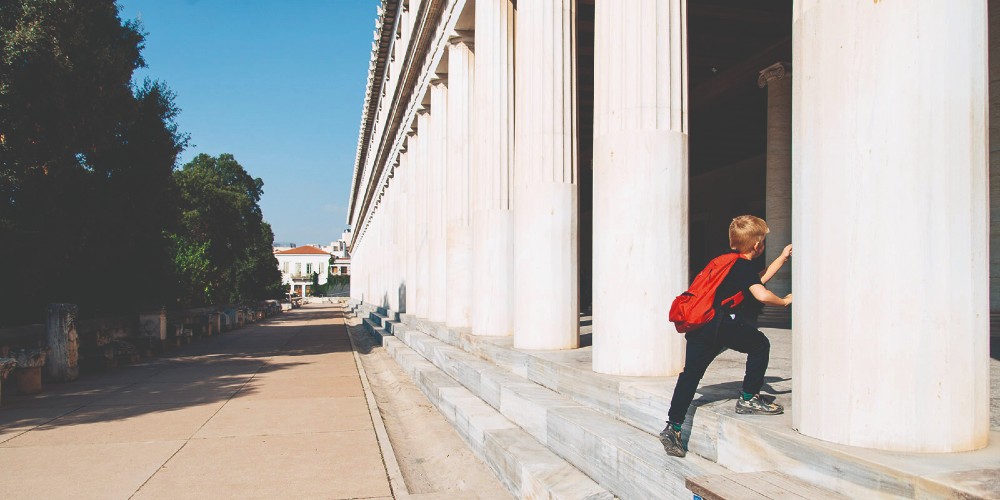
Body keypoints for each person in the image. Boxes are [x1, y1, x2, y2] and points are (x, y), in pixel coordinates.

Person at [659, 215, 792, 458]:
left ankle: (673, 426)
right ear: (757, 245)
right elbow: (761, 294)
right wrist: (783, 301)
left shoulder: (727, 262)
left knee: (691, 375)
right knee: (760, 344)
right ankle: (749, 398)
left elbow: (757, 279)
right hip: (720, 324)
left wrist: (782, 258)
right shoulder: (743, 266)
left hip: (701, 325)